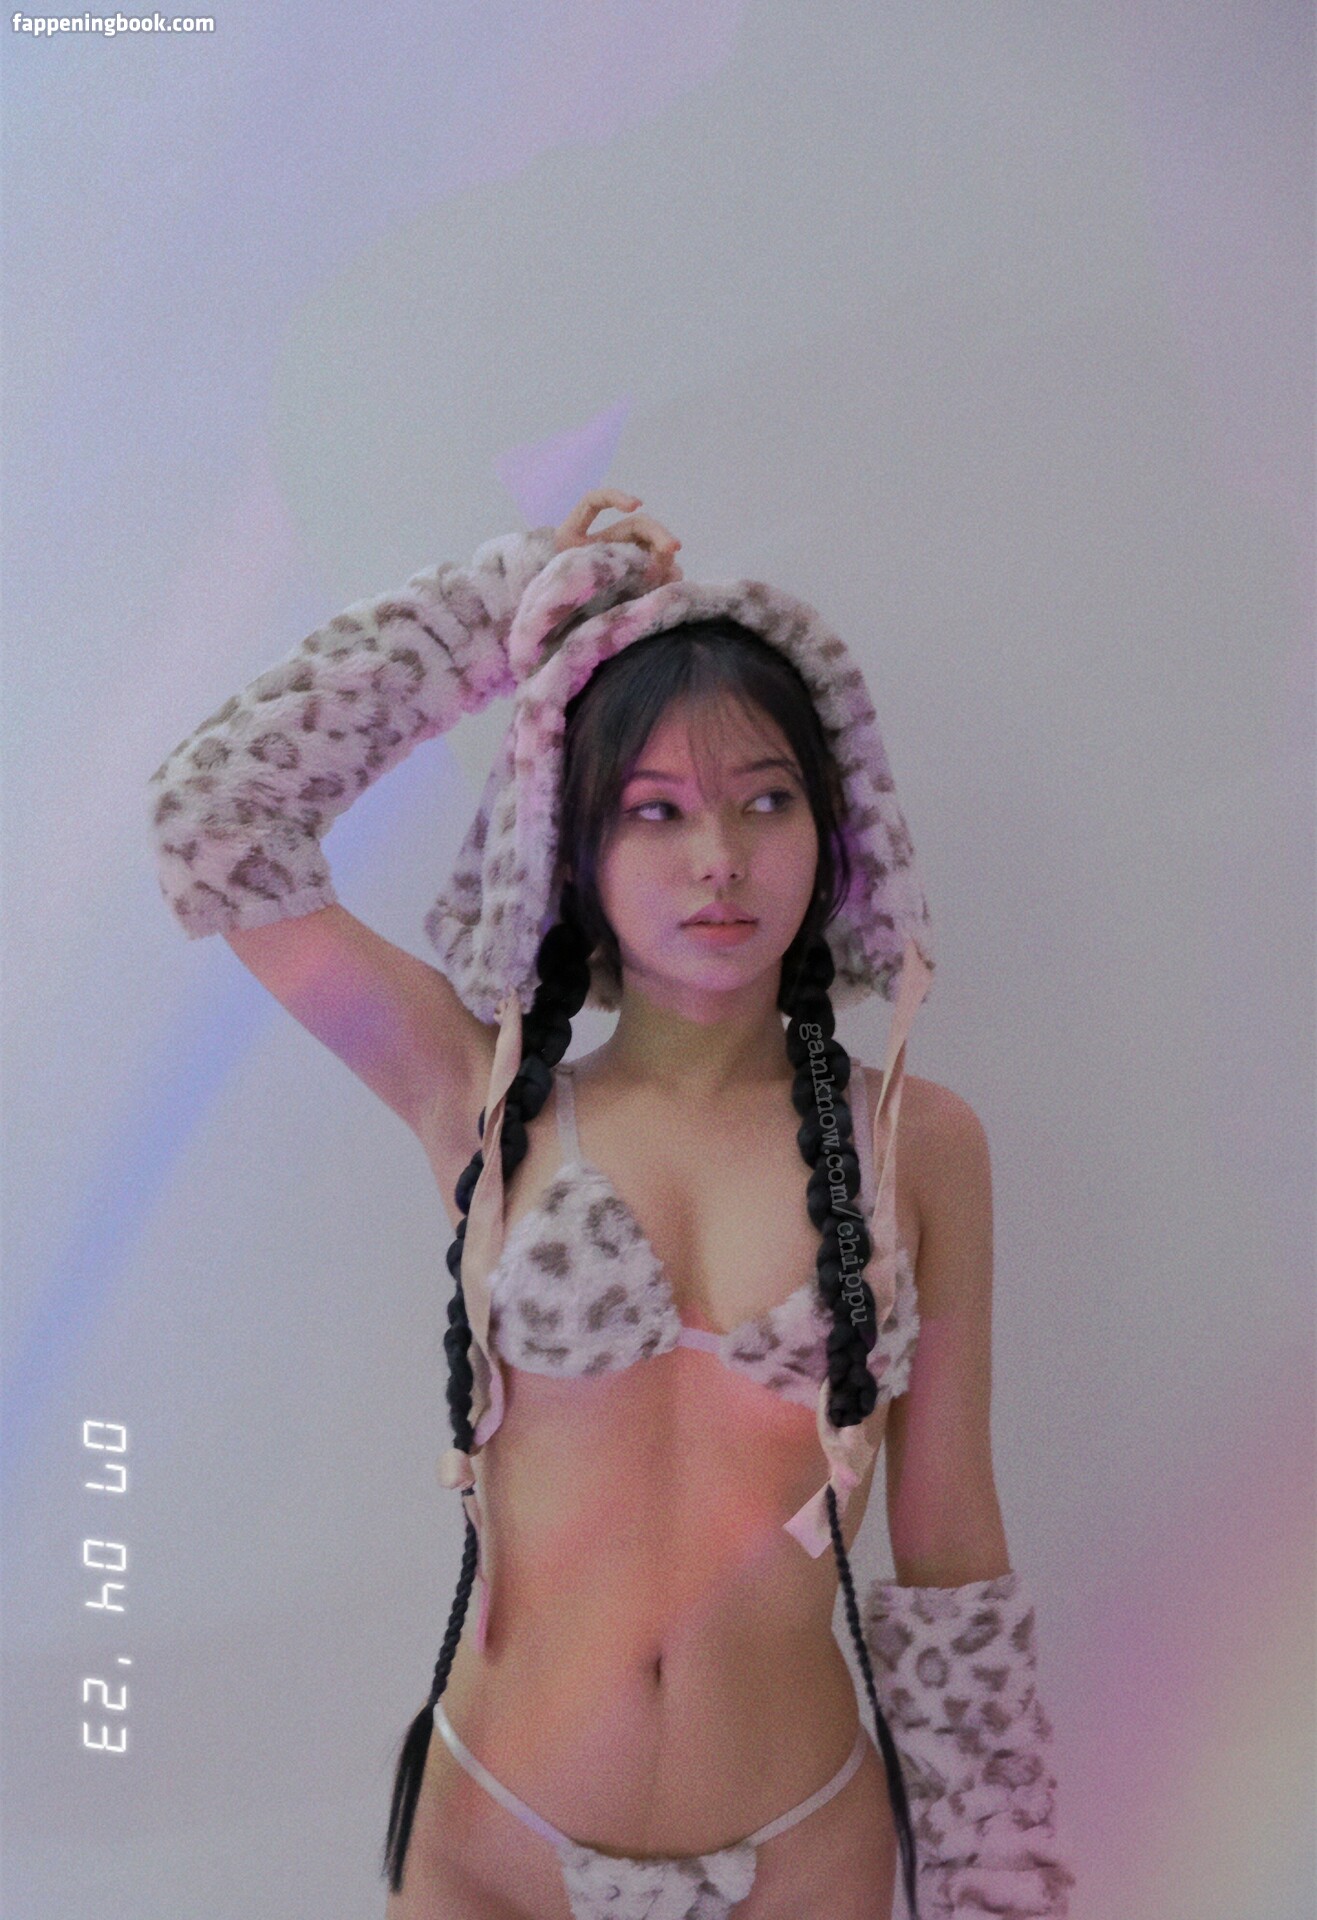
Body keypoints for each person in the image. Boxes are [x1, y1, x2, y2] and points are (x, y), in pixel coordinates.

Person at [147, 488, 1076, 1920]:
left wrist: (996, 1891)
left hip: (804, 1854)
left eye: (766, 800)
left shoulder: (919, 1145)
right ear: (570, 850)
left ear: (833, 831)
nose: (719, 858)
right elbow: (216, 818)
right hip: (492, 1850)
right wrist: (509, 611)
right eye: (655, 811)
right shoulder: (476, 1096)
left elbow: (949, 1547)